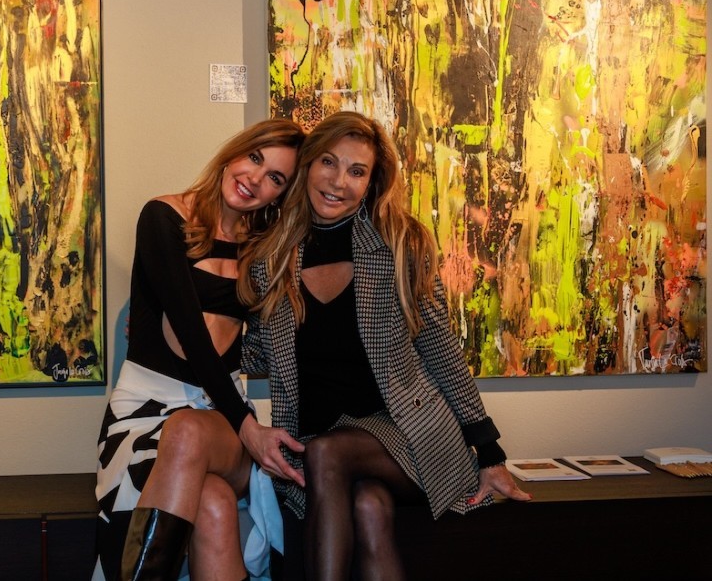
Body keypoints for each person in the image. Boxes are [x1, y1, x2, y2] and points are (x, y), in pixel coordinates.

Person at [239, 111, 532, 580]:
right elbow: (255, 353)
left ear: (371, 183)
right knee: (368, 506)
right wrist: (184, 323)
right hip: (315, 438)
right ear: (307, 165)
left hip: (406, 434)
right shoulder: (270, 257)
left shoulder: (399, 244)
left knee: (327, 455)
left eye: (356, 171)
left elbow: (440, 349)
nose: (339, 182)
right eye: (329, 163)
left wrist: (490, 453)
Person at [94, 118, 306, 581]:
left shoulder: (263, 250)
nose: (255, 178)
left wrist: (243, 422)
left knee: (188, 430)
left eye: (275, 177)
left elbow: (265, 346)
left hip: (216, 415)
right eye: (255, 158)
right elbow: (192, 335)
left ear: (280, 195)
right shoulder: (162, 217)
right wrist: (249, 427)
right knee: (212, 501)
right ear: (234, 152)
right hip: (144, 411)